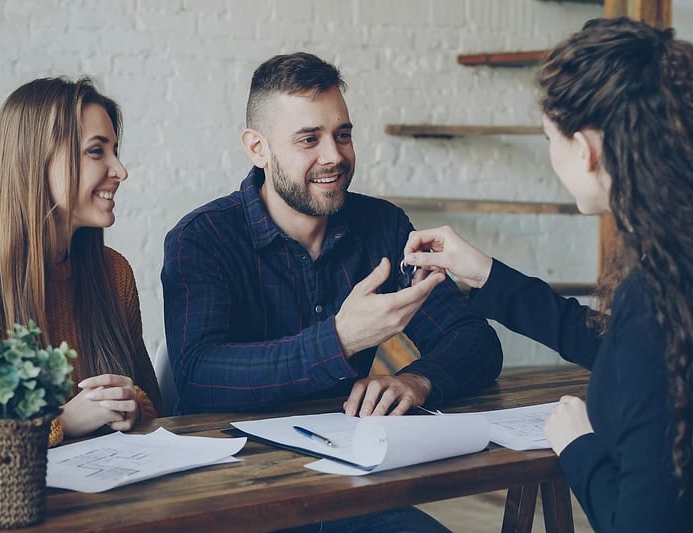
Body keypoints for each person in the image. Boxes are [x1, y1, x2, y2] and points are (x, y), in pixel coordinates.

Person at [161, 52, 502, 531]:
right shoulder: (202, 238)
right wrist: (339, 340)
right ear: (258, 148)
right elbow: (199, 375)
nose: (335, 156)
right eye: (309, 139)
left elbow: (474, 339)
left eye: (343, 134)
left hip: (350, 488)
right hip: (233, 495)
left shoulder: (382, 226)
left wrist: (416, 380)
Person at [403, 18, 693, 533]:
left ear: (586, 151)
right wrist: (485, 274)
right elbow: (619, 349)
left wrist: (580, 446)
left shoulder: (655, 297)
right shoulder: (672, 278)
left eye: (548, 138)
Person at [0, 77, 162, 459]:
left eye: (115, 150)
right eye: (96, 151)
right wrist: (56, 422)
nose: (120, 170)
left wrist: (132, 404)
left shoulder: (114, 273)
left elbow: (155, 402)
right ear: (36, 162)